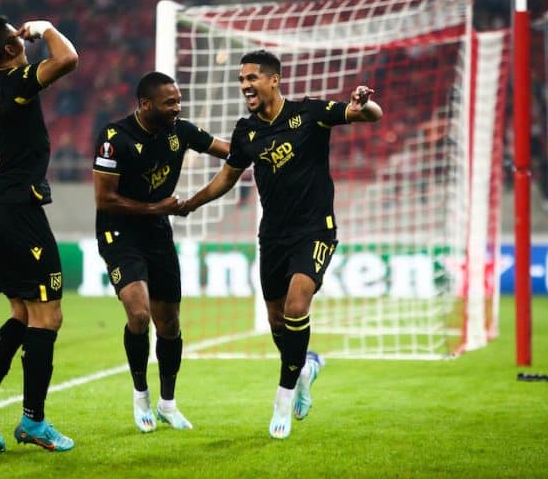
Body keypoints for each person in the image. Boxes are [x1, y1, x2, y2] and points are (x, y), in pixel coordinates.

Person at [179, 50, 383, 439]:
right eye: (241, 80)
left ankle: (283, 399)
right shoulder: (246, 131)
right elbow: (228, 177)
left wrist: (363, 103)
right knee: (277, 322)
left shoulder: (309, 113)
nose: (245, 86)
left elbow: (370, 115)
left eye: (251, 78)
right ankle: (305, 369)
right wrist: (192, 203)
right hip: (272, 235)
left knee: (296, 305)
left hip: (315, 231)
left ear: (274, 80)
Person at [0, 16, 78, 453]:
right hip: (19, 214)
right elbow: (68, 59)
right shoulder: (15, 83)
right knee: (48, 316)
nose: (23, 41)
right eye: (16, 38)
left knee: (21, 313)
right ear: (9, 50)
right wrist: (45, 29)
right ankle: (33, 421)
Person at [93, 71, 229, 433]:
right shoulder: (115, 138)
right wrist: (157, 208)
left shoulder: (180, 132)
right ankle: (141, 396)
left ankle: (168, 403)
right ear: (145, 104)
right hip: (119, 232)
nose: (177, 108)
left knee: (169, 324)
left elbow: (227, 149)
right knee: (139, 315)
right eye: (170, 102)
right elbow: (104, 199)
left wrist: (263, 143)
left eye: (179, 101)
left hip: (157, 233)